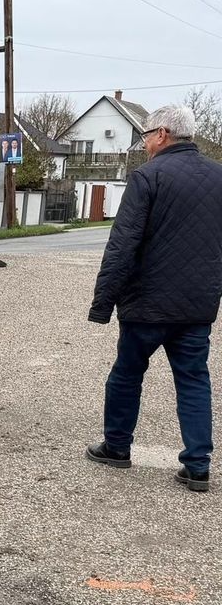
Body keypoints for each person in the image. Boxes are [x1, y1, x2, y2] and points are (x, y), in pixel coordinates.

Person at [85, 105, 222, 493]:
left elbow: (123, 244)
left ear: (161, 134)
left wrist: (103, 302)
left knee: (127, 374)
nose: (144, 143)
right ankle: (198, 465)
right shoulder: (219, 176)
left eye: (145, 135)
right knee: (194, 380)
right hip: (197, 305)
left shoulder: (147, 177)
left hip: (147, 302)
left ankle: (117, 446)